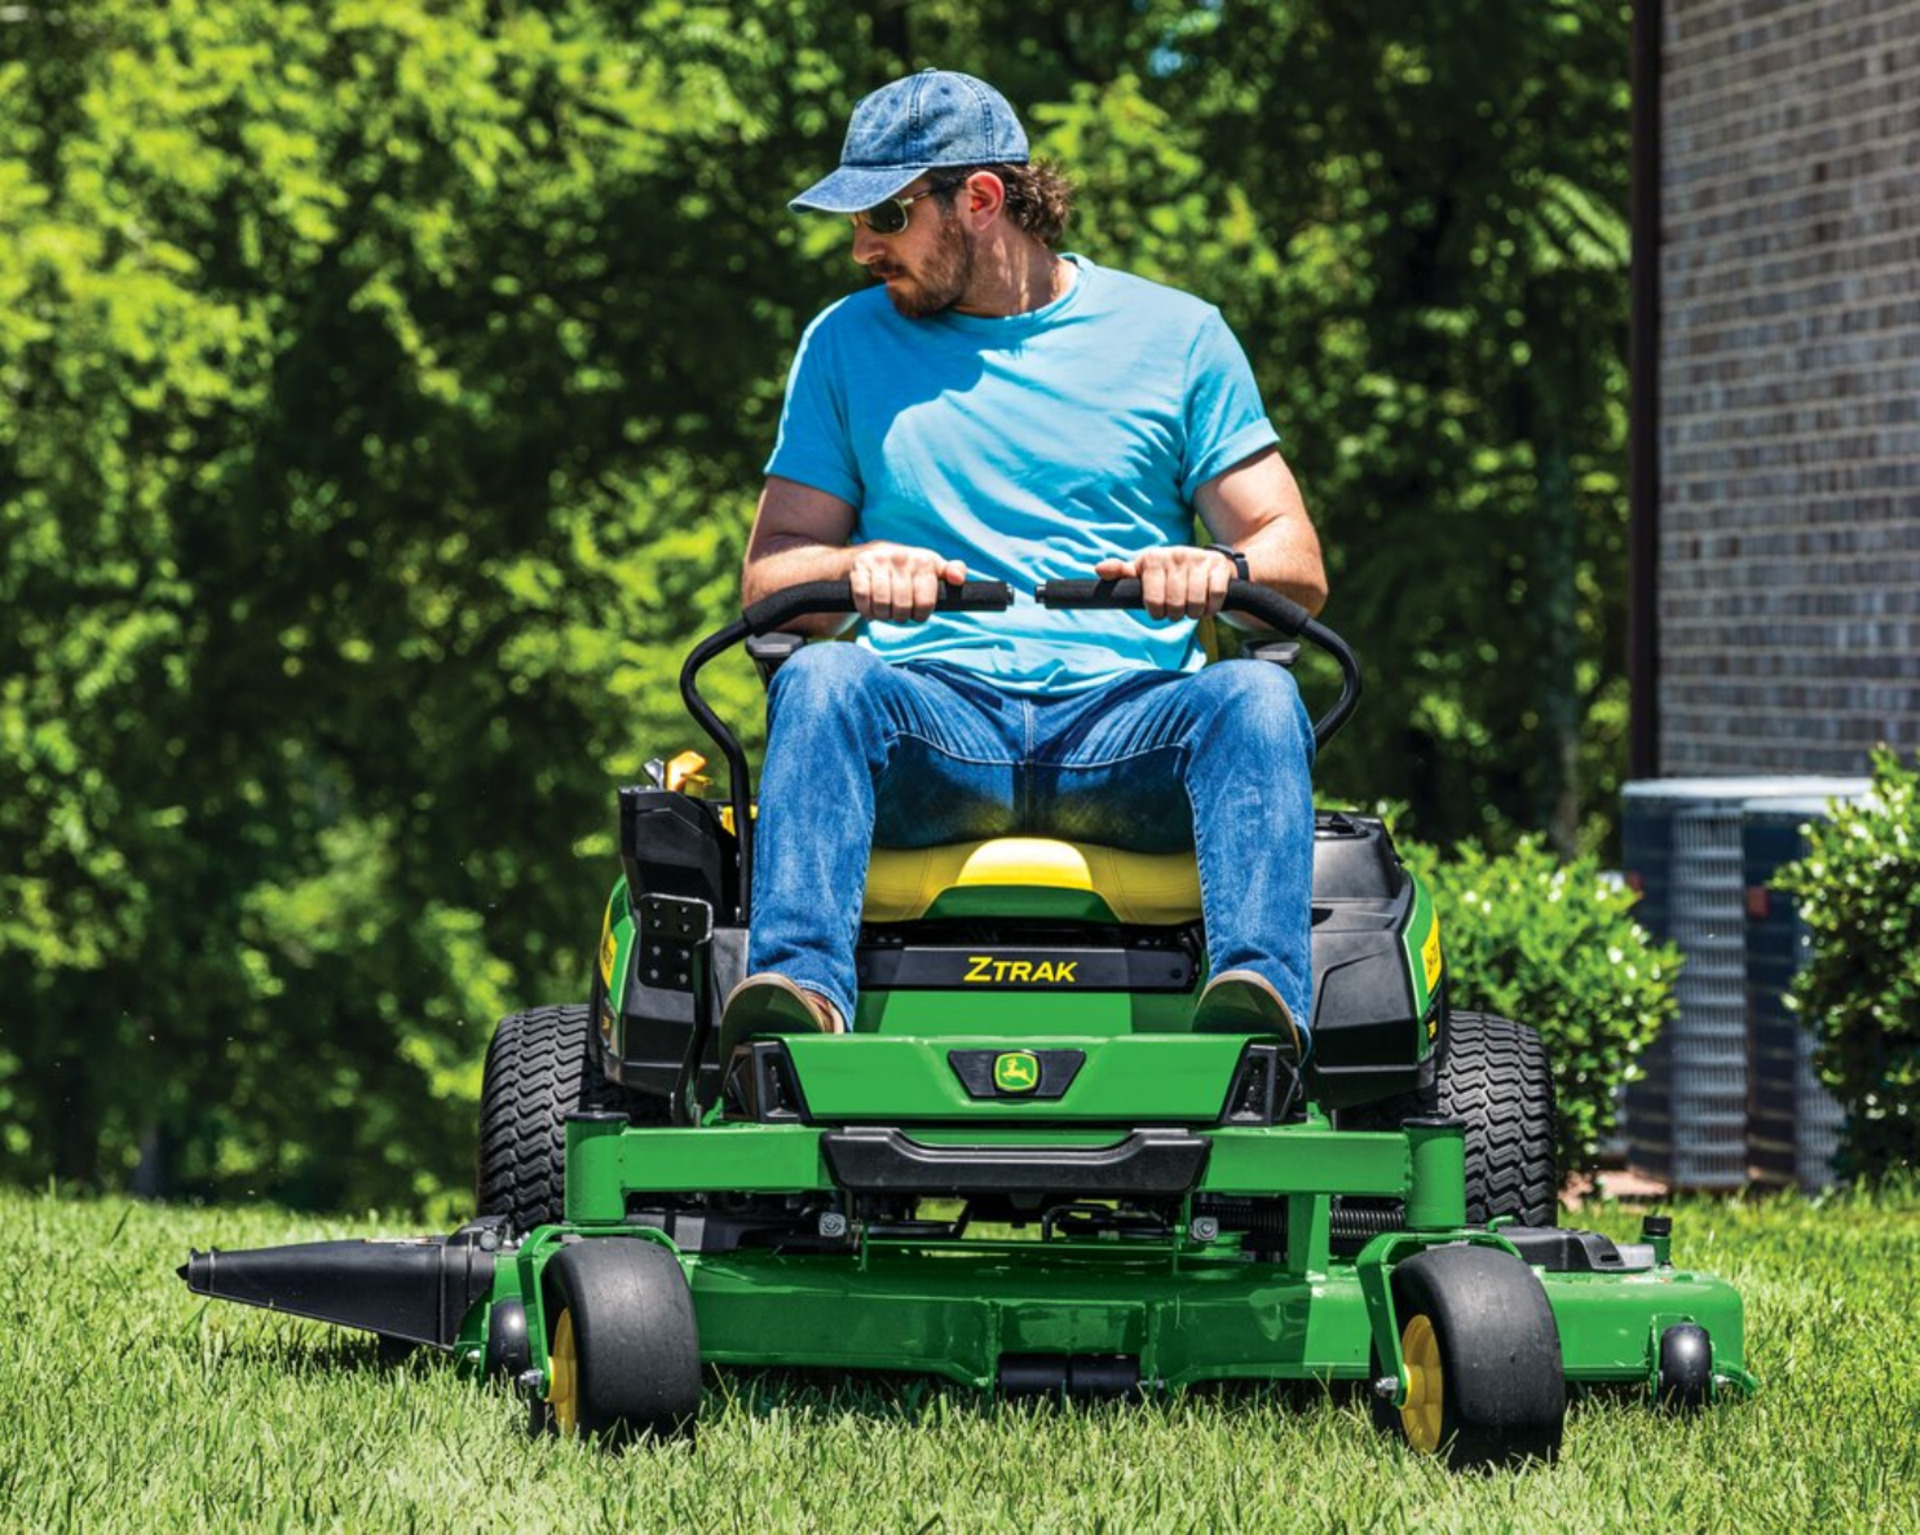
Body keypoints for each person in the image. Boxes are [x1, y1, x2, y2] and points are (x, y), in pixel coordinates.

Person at [723, 69, 1328, 1064]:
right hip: (936, 725)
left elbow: (1294, 562)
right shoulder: (841, 345)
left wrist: (1214, 568)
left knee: (1257, 700)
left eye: (886, 213)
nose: (862, 246)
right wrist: (859, 566)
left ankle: (1256, 1019)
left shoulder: (1177, 338)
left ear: (983, 200)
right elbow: (771, 580)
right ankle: (799, 1002)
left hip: (1130, 727)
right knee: (822, 675)